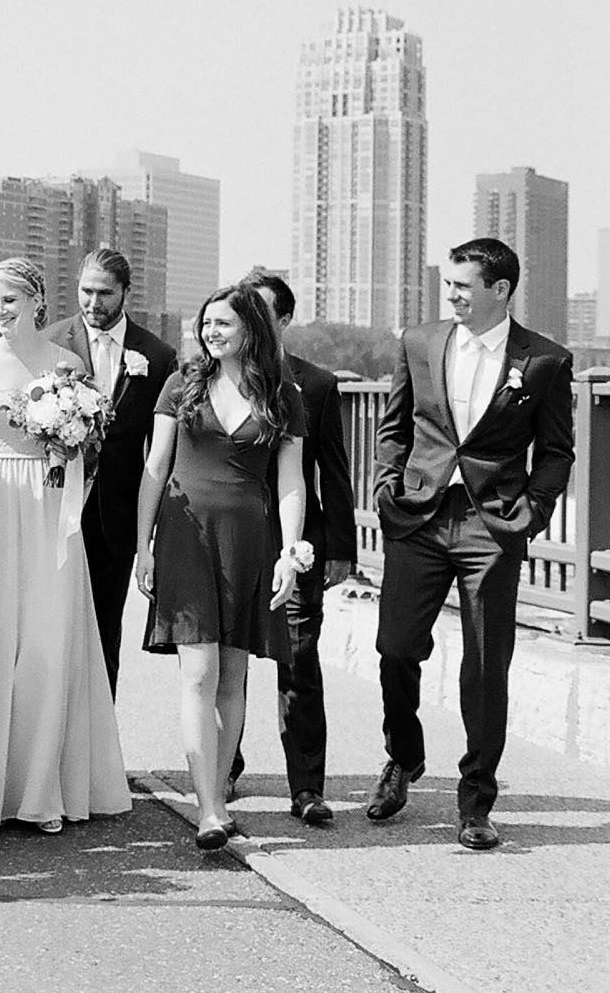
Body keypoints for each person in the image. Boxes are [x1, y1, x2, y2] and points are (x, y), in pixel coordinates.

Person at [368, 238, 575, 851]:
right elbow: (396, 425)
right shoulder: (420, 341)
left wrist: (532, 513)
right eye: (449, 285)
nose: (451, 295)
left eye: (463, 286)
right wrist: (387, 484)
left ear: (501, 291)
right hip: (420, 517)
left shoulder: (544, 361)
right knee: (395, 646)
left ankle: (476, 804)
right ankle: (403, 758)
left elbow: (557, 450)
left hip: (493, 524)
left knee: (486, 665)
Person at [0, 258, 130, 834]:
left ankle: (38, 788)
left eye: (8, 300)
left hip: (48, 503)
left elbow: (83, 445)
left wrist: (65, 441)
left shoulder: (66, 364)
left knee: (47, 640)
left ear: (35, 301)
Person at [135, 283, 308, 849]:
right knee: (198, 674)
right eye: (206, 322)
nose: (211, 332)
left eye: (224, 323)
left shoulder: (283, 393)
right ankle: (209, 810)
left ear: (251, 329)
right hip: (185, 536)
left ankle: (219, 794)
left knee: (233, 679)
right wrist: (145, 545)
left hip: (248, 541)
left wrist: (290, 552)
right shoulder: (182, 384)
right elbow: (156, 468)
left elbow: (291, 481)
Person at [230, 267, 357, 825]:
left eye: (259, 311)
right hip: (231, 542)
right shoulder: (214, 377)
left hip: (297, 545)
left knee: (299, 660)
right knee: (226, 660)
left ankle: (306, 787)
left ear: (282, 320)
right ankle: (222, 768)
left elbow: (335, 472)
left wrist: (339, 548)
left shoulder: (319, 384)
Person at [44, 248, 177, 694]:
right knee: (48, 630)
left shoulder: (157, 356)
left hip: (114, 516)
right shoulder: (49, 342)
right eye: (86, 291)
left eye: (104, 293)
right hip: (51, 506)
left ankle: (99, 756)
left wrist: (151, 533)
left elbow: (161, 451)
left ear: (125, 293)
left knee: (104, 634)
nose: (93, 303)